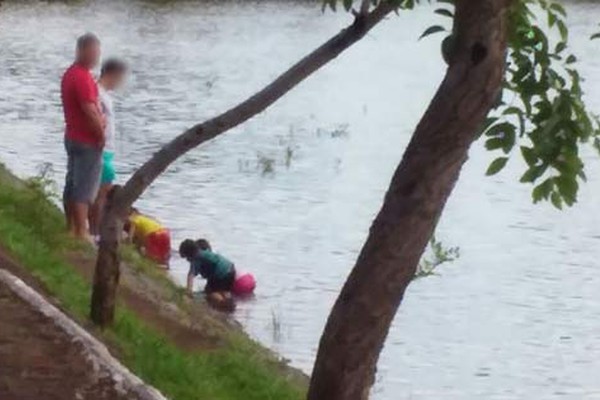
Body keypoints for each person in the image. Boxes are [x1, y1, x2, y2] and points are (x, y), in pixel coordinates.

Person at [61, 33, 104, 241]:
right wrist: (101, 134)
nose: (96, 57)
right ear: (81, 50)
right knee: (84, 188)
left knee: (72, 182)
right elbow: (90, 110)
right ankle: (81, 231)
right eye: (93, 52)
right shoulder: (81, 76)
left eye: (98, 53)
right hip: (86, 140)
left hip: (73, 136)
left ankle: (71, 227)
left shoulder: (71, 74)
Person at [89, 58, 128, 236]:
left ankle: (92, 230)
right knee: (101, 193)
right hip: (101, 150)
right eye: (120, 78)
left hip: (107, 150)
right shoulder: (98, 94)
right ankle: (95, 232)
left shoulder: (104, 94)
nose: (121, 83)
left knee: (99, 192)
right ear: (113, 74)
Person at [179, 238, 237, 303]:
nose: (187, 260)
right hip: (230, 268)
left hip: (220, 273)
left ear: (190, 254)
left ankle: (223, 303)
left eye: (187, 257)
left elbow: (191, 275)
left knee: (210, 292)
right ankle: (230, 302)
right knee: (225, 290)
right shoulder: (204, 252)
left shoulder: (196, 259)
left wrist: (188, 291)